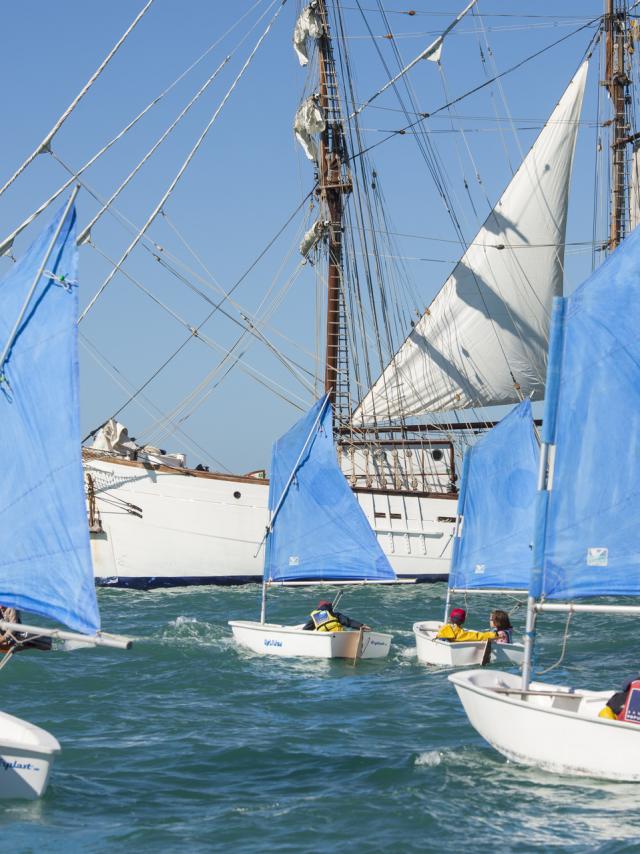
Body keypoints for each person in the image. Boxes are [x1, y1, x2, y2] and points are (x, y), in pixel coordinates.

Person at [302, 600, 370, 633]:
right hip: (338, 636)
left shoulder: (315, 619)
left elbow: (305, 629)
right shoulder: (335, 615)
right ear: (330, 608)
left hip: (324, 638)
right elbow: (348, 622)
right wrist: (361, 626)